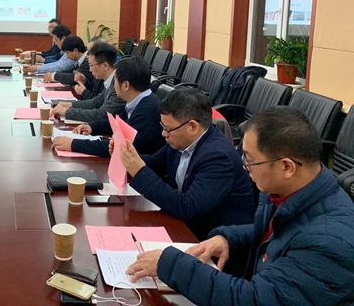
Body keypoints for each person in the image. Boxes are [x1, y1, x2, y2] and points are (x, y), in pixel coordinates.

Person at [125, 107, 354, 306]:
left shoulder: (328, 243)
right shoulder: (288, 190)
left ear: (286, 167)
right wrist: (228, 238)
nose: (244, 167)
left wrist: (171, 265)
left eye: (250, 159)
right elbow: (277, 234)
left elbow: (254, 300)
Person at [119, 88, 254, 240]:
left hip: (209, 238)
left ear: (192, 127)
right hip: (182, 224)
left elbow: (187, 207)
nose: (163, 134)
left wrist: (139, 171)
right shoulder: (182, 141)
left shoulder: (218, 157)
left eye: (168, 129)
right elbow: (155, 163)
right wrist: (126, 157)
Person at [52, 57, 163, 157]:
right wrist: (91, 127)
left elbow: (120, 147)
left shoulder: (147, 111)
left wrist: (74, 144)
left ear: (126, 85)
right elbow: (116, 123)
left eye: (115, 80)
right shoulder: (136, 100)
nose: (113, 85)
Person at [49, 43, 125, 122]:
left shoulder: (119, 85)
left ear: (105, 66)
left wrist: (67, 112)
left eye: (91, 66)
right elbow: (95, 102)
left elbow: (101, 115)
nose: (90, 70)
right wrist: (70, 105)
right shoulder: (110, 81)